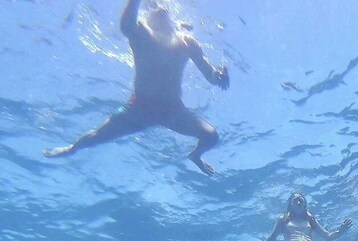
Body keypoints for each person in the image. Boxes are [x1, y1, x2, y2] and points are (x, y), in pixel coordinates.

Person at [44, 0, 230, 175]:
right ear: (147, 16)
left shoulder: (188, 42)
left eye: (163, 8)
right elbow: (126, 25)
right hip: (139, 108)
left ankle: (195, 155)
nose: (160, 9)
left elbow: (211, 76)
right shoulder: (141, 32)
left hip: (174, 110)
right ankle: (72, 148)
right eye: (154, 7)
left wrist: (219, 74)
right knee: (96, 136)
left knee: (211, 136)